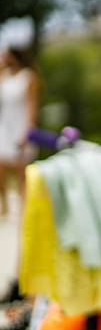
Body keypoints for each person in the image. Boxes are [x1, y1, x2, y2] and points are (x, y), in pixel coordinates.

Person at [0, 45, 41, 216]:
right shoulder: (4, 76)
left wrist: (28, 129)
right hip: (4, 124)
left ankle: (24, 207)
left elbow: (32, 105)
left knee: (20, 169)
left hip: (21, 124)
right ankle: (4, 205)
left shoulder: (29, 77)